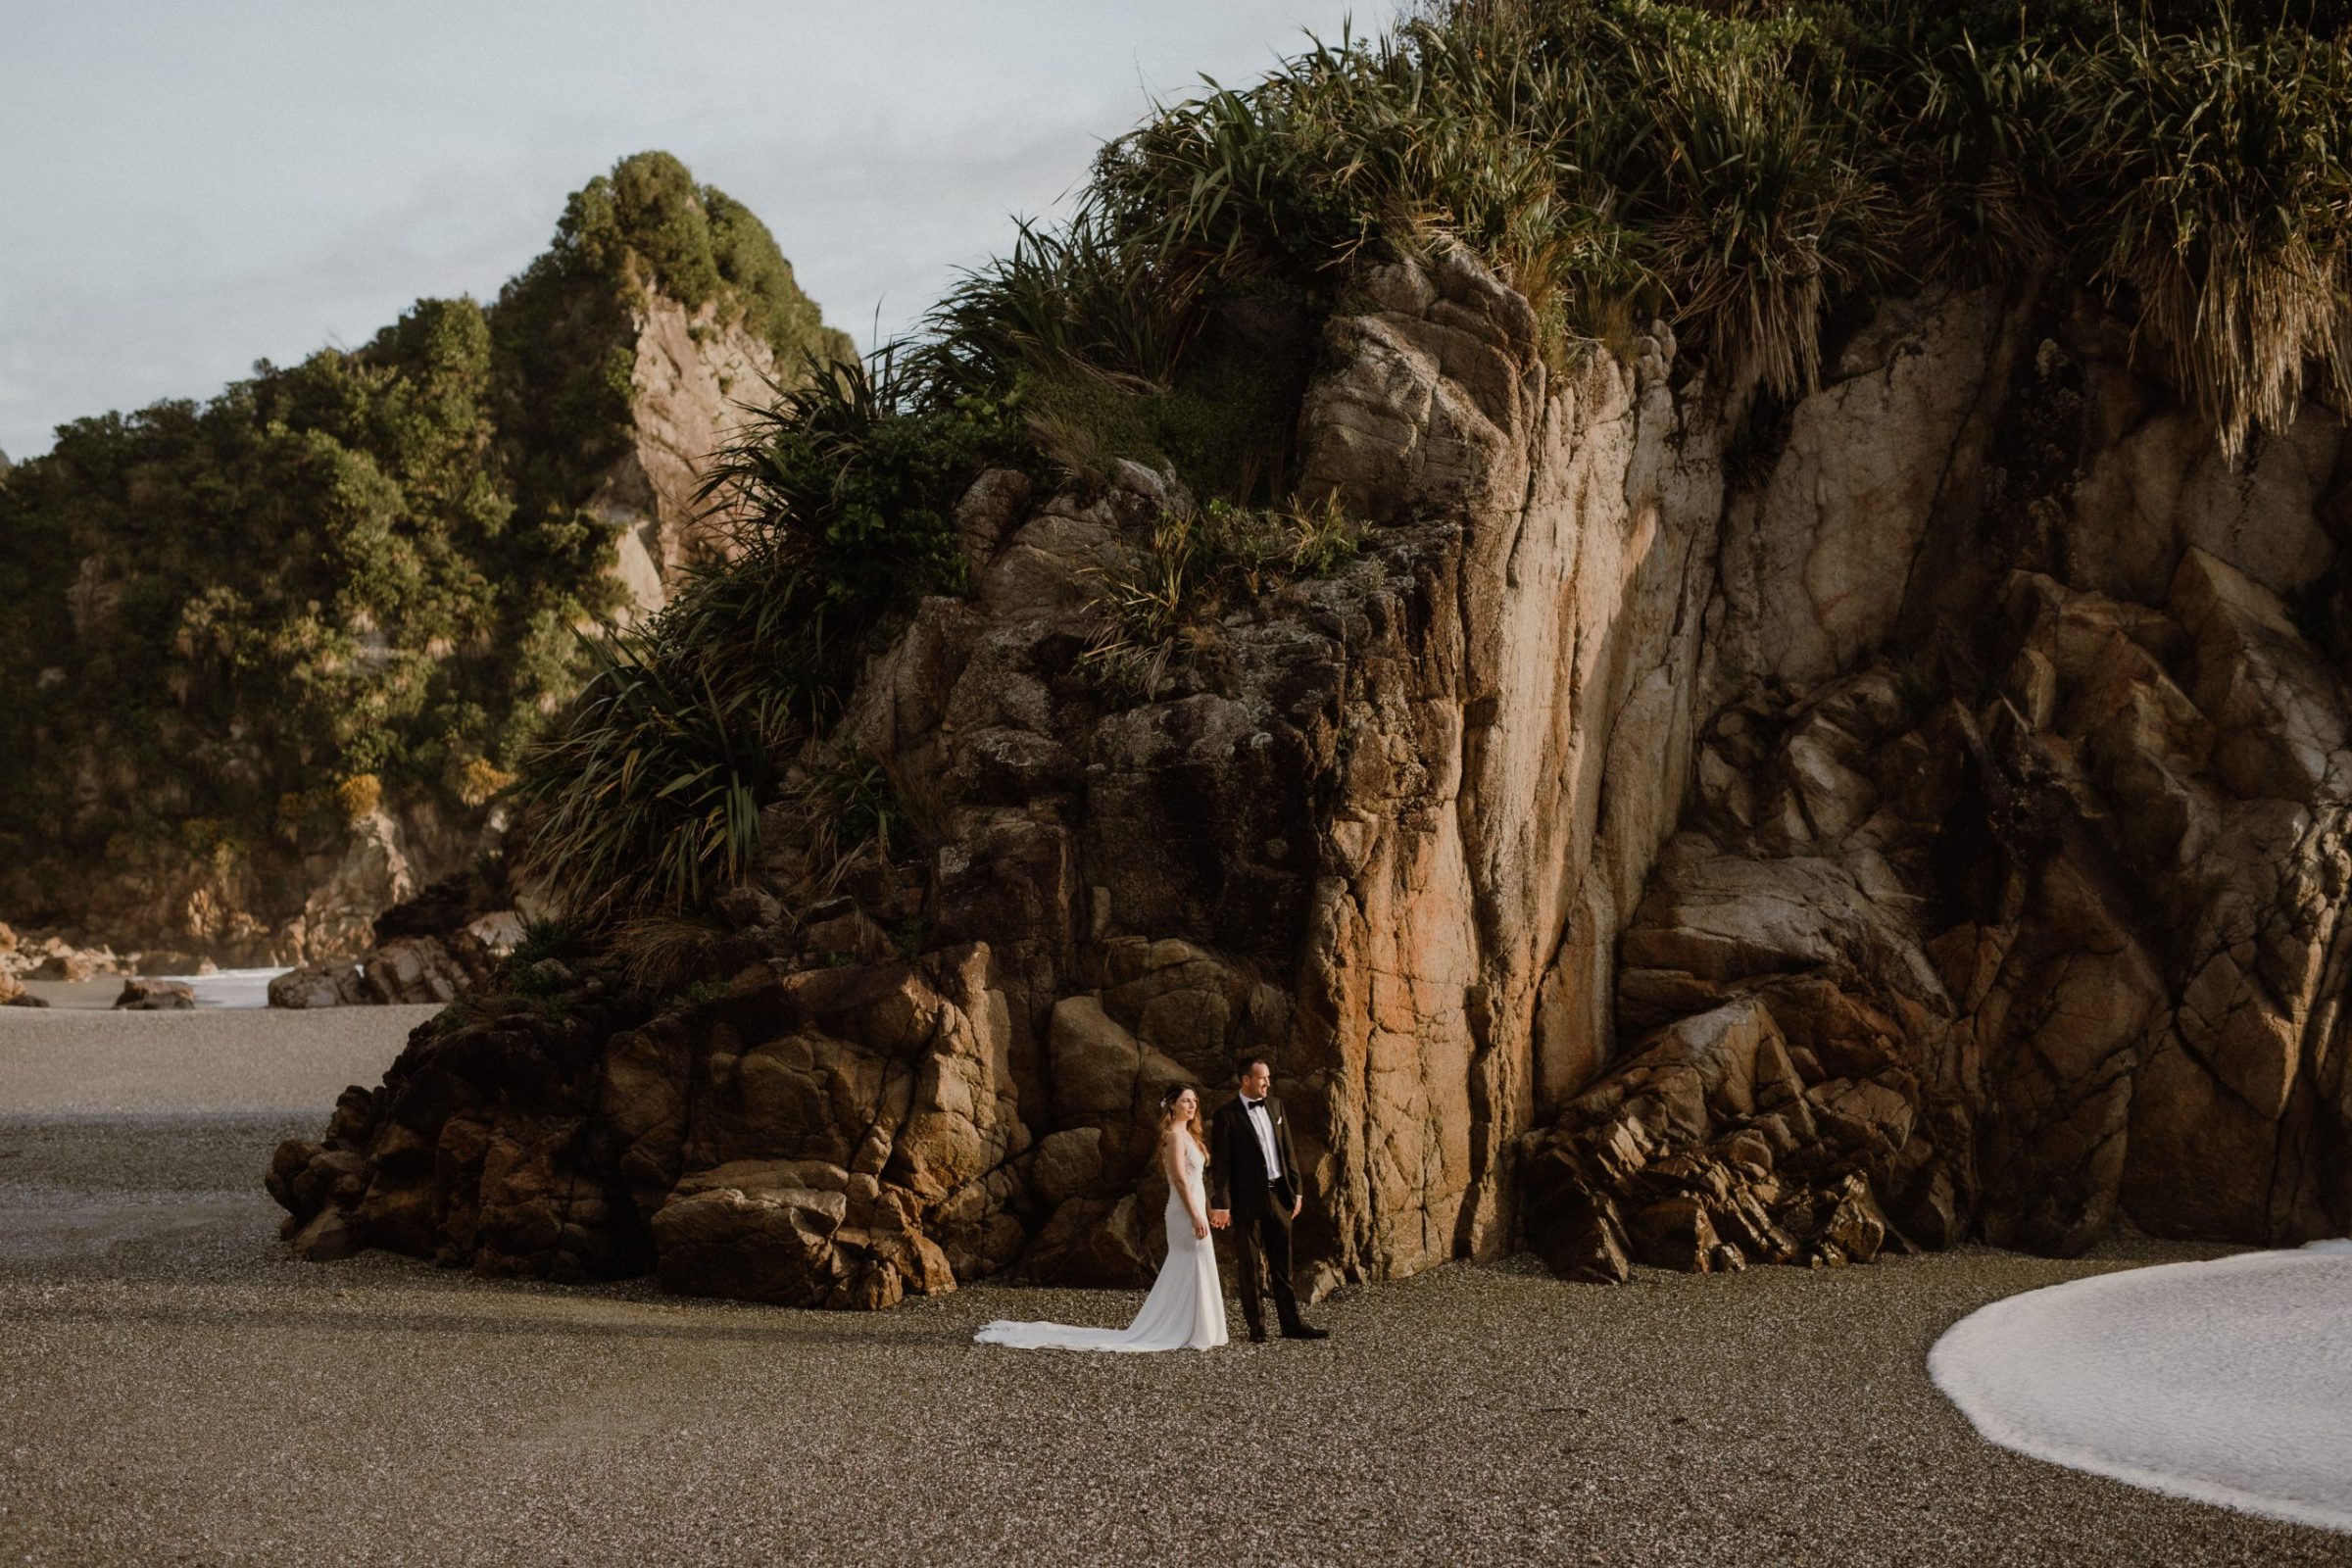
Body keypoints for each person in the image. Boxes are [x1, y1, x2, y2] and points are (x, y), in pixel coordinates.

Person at [973, 1085, 1228, 1352]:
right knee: (1190, 1263)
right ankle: (1186, 1329)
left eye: (1194, 1101)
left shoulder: (1191, 1137)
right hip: (1182, 1212)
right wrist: (1196, 1214)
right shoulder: (1174, 1137)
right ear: (1172, 1105)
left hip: (1195, 1207)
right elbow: (1178, 1180)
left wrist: (1208, 1208)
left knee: (1198, 1263)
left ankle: (1195, 1327)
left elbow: (1197, 1181)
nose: (1192, 1105)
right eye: (1186, 1101)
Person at [1208, 1056, 1329, 1342]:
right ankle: (1257, 1327)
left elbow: (1288, 1151)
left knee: (1282, 1265)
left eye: (1269, 1078)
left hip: (1280, 1195)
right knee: (1249, 1266)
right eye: (1262, 1078)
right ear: (1246, 1080)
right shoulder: (1227, 1115)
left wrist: (1296, 1191)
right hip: (1246, 1201)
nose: (1267, 1083)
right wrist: (1222, 1203)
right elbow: (1222, 1166)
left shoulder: (1275, 1106)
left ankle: (1291, 1325)